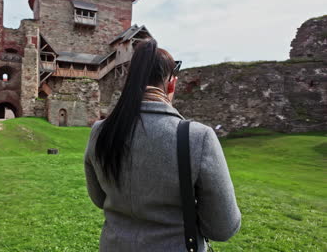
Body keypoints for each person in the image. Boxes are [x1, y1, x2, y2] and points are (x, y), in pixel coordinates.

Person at [84, 39, 241, 252]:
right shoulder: (198, 137)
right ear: (171, 84)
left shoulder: (99, 131)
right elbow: (223, 228)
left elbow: (99, 199)